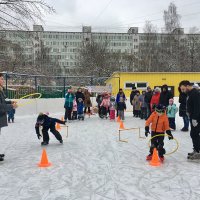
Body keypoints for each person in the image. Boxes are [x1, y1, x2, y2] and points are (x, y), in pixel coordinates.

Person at [179, 80, 200, 160]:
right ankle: (196, 149)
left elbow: (197, 107)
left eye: (183, 89)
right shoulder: (190, 94)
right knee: (193, 134)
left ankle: (198, 152)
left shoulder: (195, 93)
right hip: (193, 117)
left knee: (195, 134)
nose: (183, 91)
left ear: (187, 86)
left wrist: (195, 118)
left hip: (197, 118)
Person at [0, 73, 18, 161]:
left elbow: (3, 102)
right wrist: (11, 106)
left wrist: (10, 102)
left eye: (3, 79)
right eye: (1, 79)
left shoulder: (1, 90)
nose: (3, 80)